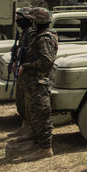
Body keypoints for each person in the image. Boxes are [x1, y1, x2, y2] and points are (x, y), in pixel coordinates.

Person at [9, 8, 58, 162]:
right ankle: (37, 144)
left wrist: (26, 66)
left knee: (40, 116)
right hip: (31, 82)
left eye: (32, 20)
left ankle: (45, 148)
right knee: (32, 114)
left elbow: (47, 60)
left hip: (38, 82)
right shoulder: (36, 36)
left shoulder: (45, 38)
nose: (30, 22)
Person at [7, 8, 36, 140]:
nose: (18, 20)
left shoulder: (31, 33)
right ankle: (24, 126)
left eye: (20, 17)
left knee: (28, 102)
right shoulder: (24, 33)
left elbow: (30, 53)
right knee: (21, 101)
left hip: (28, 72)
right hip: (22, 71)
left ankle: (29, 128)